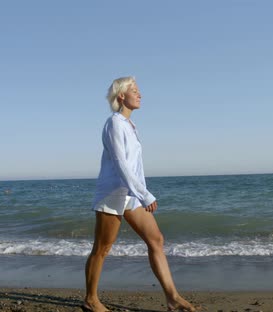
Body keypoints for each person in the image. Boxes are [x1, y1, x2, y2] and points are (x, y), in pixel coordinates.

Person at [84, 77, 196, 312]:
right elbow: (120, 163)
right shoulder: (114, 123)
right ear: (121, 96)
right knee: (102, 249)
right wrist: (145, 194)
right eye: (134, 90)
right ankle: (91, 300)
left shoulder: (130, 125)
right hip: (113, 194)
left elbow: (133, 167)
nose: (140, 94)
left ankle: (173, 298)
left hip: (131, 194)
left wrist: (139, 193)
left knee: (156, 240)